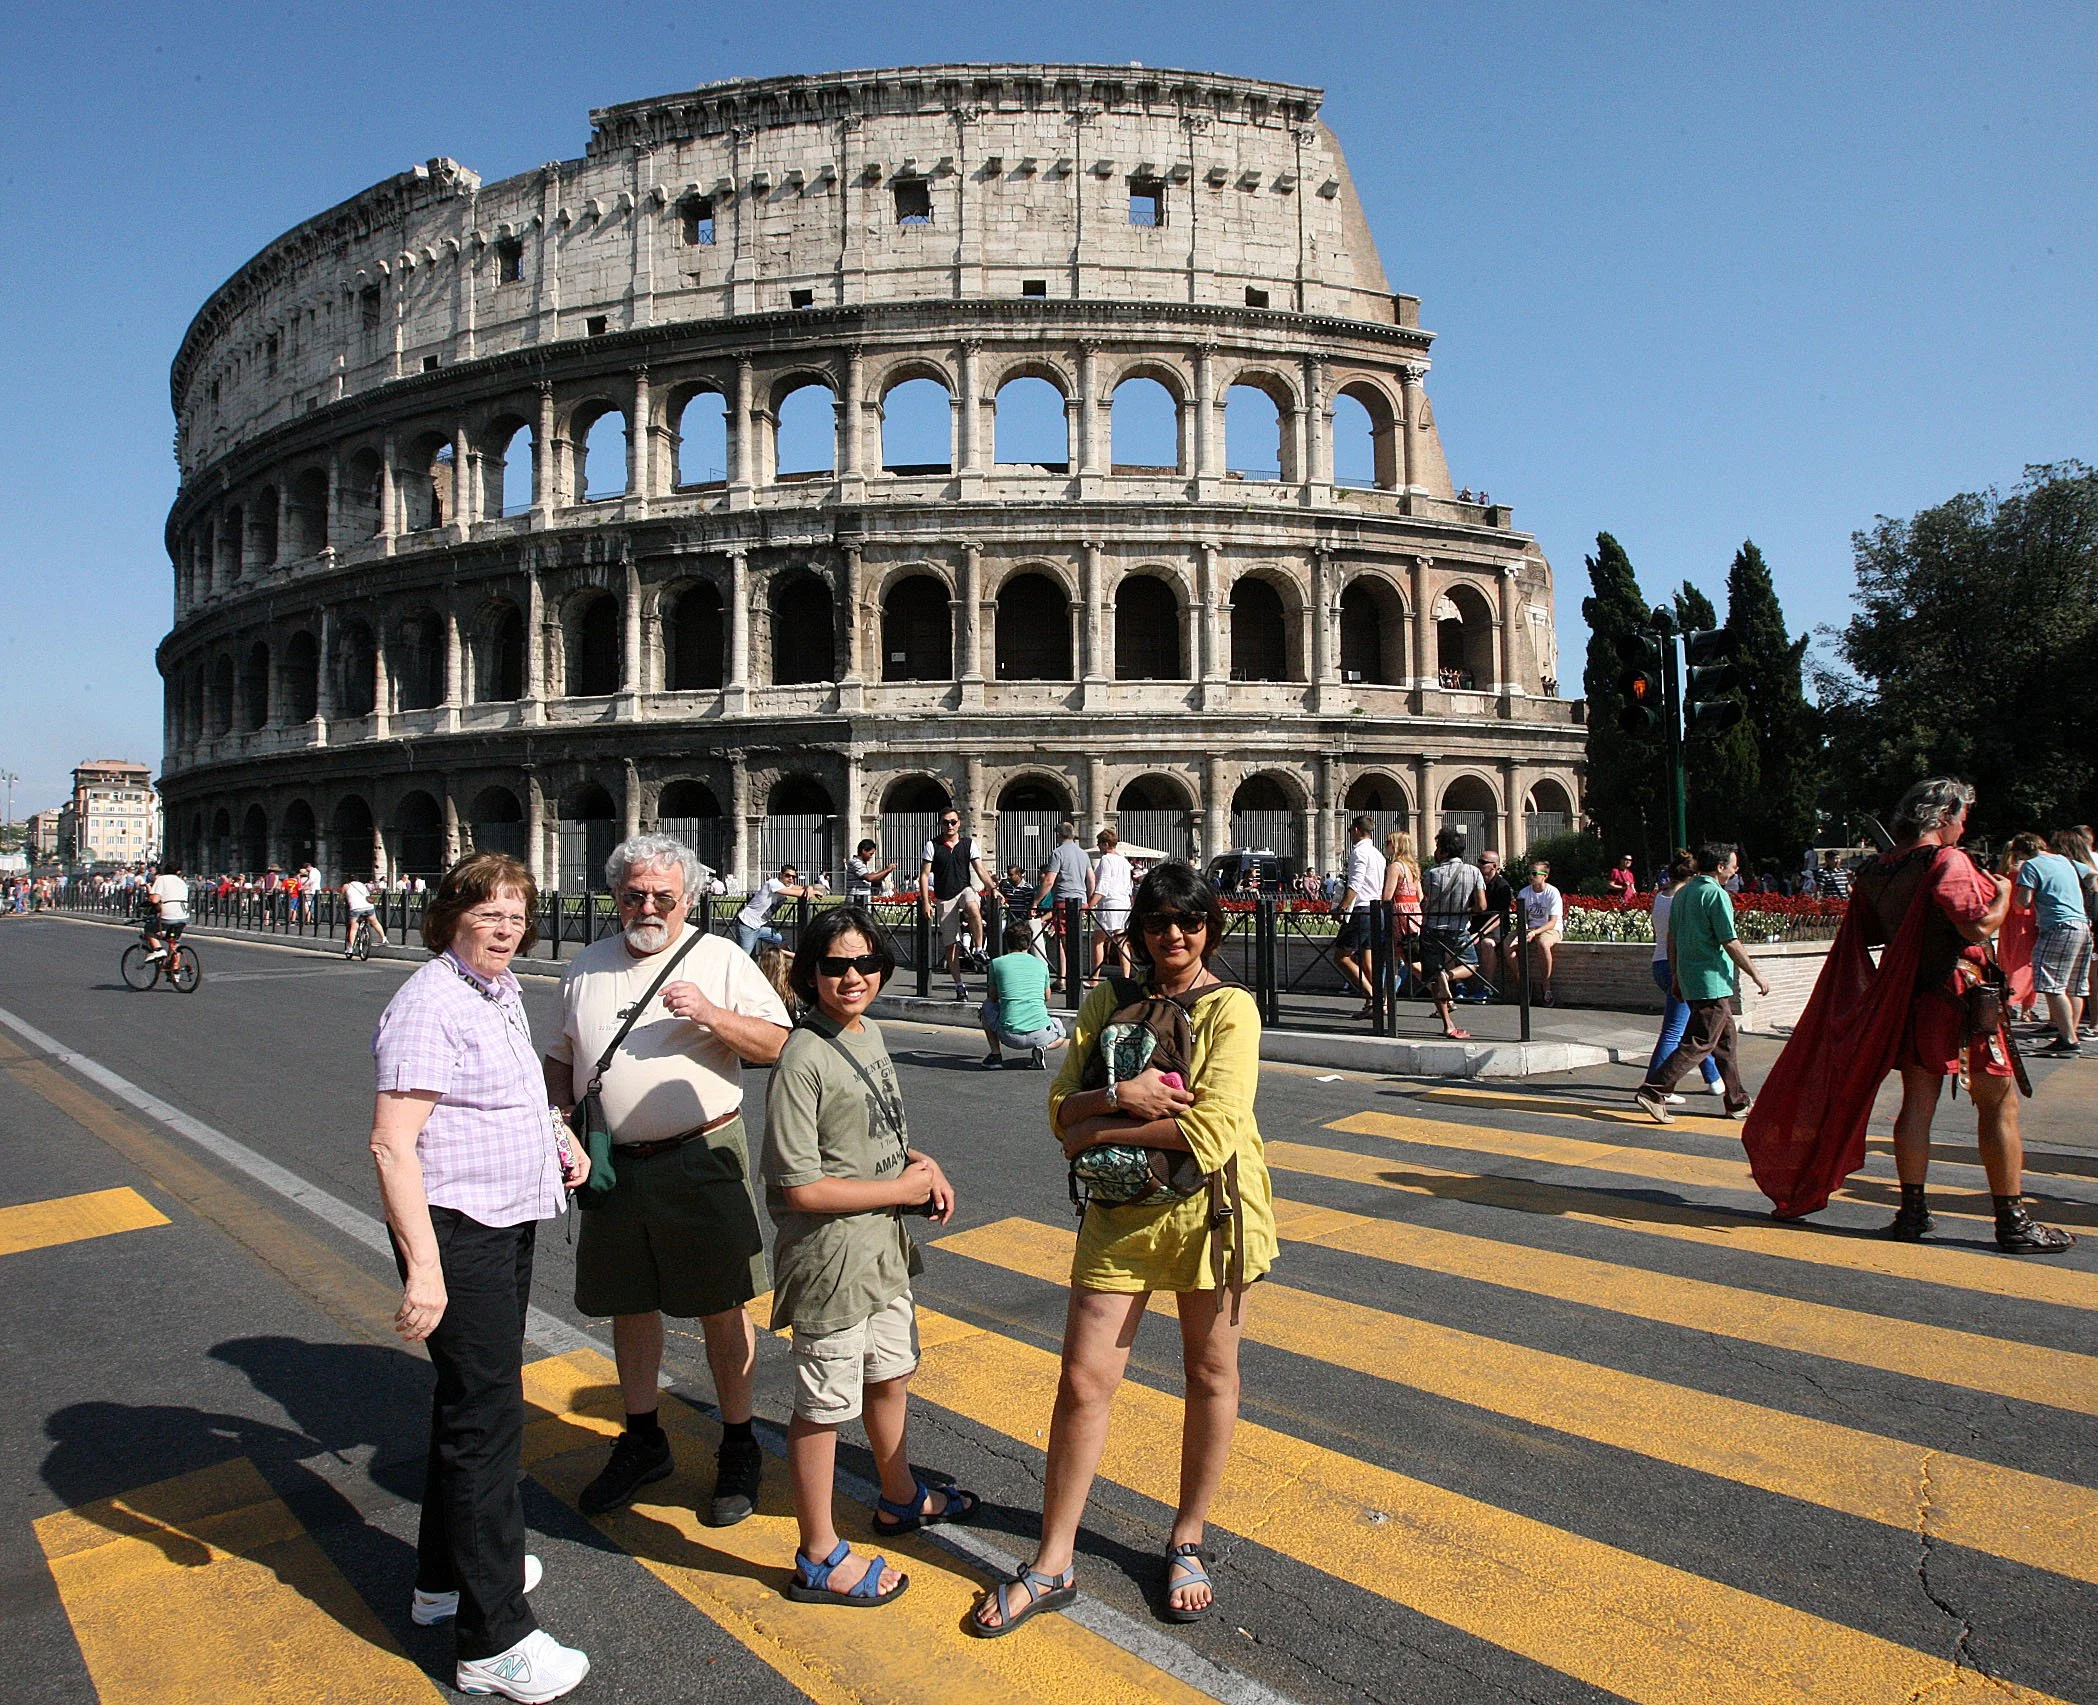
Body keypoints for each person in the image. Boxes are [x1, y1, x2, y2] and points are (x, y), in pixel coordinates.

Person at [972, 862, 1273, 1638]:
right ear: (1138, 927)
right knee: (1081, 1382)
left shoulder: (1231, 1009)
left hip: (1213, 1212)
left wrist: (1096, 1126)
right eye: (1158, 920)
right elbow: (1054, 1107)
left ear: (1211, 925)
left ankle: (1188, 1538)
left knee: (1210, 1374)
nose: (1174, 934)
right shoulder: (1108, 998)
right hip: (1118, 1215)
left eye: (1191, 920)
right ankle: (1053, 1558)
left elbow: (1211, 1131)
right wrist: (1116, 1095)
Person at [369, 853, 591, 1701]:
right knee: (487, 1424)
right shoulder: (429, 1003)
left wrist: (555, 1133)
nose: (505, 927)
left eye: (516, 913)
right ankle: (493, 1639)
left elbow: (507, 1095)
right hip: (459, 1234)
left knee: (466, 1406)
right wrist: (425, 1269)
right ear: (449, 917)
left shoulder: (492, 991)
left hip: (501, 1220)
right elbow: (393, 1144)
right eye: (488, 913)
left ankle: (441, 1584)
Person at [544, 836, 792, 1528]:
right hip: (614, 1161)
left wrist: (711, 1015)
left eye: (662, 896)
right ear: (615, 896)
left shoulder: (720, 958)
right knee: (629, 1302)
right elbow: (560, 1057)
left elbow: (779, 1043)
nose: (646, 907)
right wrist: (562, 1118)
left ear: (689, 898)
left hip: (700, 1153)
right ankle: (643, 1436)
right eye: (632, 895)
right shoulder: (587, 964)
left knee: (722, 1301)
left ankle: (739, 1442)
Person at [1742, 779, 2072, 1253]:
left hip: (1913, 998)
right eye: (1961, 818)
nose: (1963, 828)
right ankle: (2013, 1222)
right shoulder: (1948, 860)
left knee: (1918, 1104)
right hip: (1962, 998)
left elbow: (1877, 931)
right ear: (1942, 817)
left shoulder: (1879, 868)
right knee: (1999, 1105)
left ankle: (1912, 1213)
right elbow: (1974, 925)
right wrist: (2002, 896)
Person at [762, 905, 972, 1608]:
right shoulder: (802, 1057)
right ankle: (817, 1551)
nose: (852, 977)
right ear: (809, 972)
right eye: (834, 965)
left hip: (884, 1244)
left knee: (891, 1373)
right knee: (824, 1405)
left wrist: (923, 1165)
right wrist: (899, 1187)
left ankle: (899, 1495)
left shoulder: (868, 1030)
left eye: (865, 963)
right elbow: (798, 1188)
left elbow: (876, 1133)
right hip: (831, 1259)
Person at [1634, 843, 1767, 1123]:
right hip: (1712, 981)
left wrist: (1676, 975)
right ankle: (1654, 1091)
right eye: (1733, 865)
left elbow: (1671, 938)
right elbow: (1729, 940)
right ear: (1720, 867)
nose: (1735, 870)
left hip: (1692, 978)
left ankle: (1737, 1101)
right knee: (1700, 1041)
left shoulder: (1685, 893)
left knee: (1725, 1043)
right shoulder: (1716, 895)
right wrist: (1756, 974)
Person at [1646, 853, 1724, 1103]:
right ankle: (1655, 1084)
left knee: (1697, 1028)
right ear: (1691, 877)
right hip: (1677, 967)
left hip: (1659, 963)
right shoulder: (1683, 899)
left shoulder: (1661, 898)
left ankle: (1713, 1079)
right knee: (1675, 1031)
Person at [2015, 831, 2093, 1058]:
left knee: (2051, 984)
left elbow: (2024, 901)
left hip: (2057, 927)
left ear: (2021, 852)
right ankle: (2069, 1035)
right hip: (2082, 925)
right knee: (2075, 986)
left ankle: (2068, 1039)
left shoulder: (2031, 866)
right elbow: (2091, 873)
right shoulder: (2065, 861)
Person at [1418, 832, 1487, 1039]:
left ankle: (1448, 1024)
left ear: (1444, 850)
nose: (1435, 851)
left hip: (1432, 929)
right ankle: (1449, 976)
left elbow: (1424, 902)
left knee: (1433, 978)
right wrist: (1467, 909)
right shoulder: (1473, 872)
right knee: (1471, 965)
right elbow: (1482, 905)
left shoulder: (1431, 874)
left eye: (1438, 847)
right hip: (1458, 929)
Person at [922, 809, 995, 1001]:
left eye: (953, 822)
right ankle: (959, 984)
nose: (950, 826)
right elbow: (924, 874)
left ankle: (979, 949)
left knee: (973, 908)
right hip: (944, 896)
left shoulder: (968, 844)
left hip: (964, 888)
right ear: (940, 824)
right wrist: (925, 902)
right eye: (946, 822)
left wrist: (993, 888)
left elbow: (980, 869)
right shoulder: (932, 844)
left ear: (959, 823)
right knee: (951, 945)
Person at [981, 920, 1067, 1069]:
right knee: (1061, 1032)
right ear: (1029, 942)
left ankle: (995, 1055)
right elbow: (1047, 997)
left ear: (1007, 942)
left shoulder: (996, 963)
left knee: (986, 1006)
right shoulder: (1041, 965)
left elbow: (992, 997)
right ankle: (1042, 1048)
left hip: (1009, 1036)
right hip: (1040, 1034)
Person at [1330, 816, 1387, 1017]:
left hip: (1361, 909)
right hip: (1376, 908)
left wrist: (1342, 908)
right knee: (1367, 960)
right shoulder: (1378, 854)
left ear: (1355, 830)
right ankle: (1381, 1000)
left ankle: (1373, 996)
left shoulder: (1359, 852)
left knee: (1341, 956)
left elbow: (1355, 883)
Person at [1036, 820, 1095, 990]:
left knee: (1065, 942)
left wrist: (1035, 901)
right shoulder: (1083, 854)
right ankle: (1065, 977)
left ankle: (1069, 979)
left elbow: (1049, 880)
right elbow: (1091, 880)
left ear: (1058, 834)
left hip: (1064, 899)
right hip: (1081, 901)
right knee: (1072, 939)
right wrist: (1089, 902)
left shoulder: (1058, 852)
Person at [1998, 834, 2045, 1024]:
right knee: (2026, 964)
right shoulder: (2026, 871)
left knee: (2008, 960)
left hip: (2007, 920)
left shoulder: (2004, 872)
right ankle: (2022, 1006)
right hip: (2026, 919)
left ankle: (2010, 1001)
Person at [735, 863, 814, 957]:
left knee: (781, 942)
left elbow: (800, 888)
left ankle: (778, 963)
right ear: (781, 875)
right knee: (743, 958)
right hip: (747, 925)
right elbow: (795, 892)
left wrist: (810, 887)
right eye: (788, 875)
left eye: (793, 877)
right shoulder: (773, 883)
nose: (791, 879)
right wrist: (813, 892)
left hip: (758, 927)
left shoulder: (785, 885)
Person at [1380, 830, 1423, 998]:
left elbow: (1387, 896)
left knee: (1405, 958)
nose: (1386, 847)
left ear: (1395, 846)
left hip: (1400, 914)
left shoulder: (1395, 867)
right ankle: (1384, 999)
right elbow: (1420, 896)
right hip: (1414, 912)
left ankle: (1440, 989)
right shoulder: (1413, 867)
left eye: (1388, 843)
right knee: (1398, 958)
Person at [1090, 829, 1135, 979]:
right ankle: (1126, 976)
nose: (1098, 846)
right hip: (1123, 903)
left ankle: (1094, 978)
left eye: (1099, 843)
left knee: (1098, 941)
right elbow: (1129, 886)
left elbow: (1104, 884)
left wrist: (1091, 903)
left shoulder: (1106, 859)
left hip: (1109, 903)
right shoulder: (1124, 861)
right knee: (1121, 941)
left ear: (1105, 844)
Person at [1519, 861, 1565, 1005]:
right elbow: (1523, 917)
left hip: (1550, 929)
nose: (1530, 877)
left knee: (1543, 943)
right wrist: (1526, 929)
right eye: (1529, 873)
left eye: (1534, 874)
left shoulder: (1552, 893)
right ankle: (1524, 984)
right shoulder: (1524, 892)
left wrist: (1535, 932)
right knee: (1508, 944)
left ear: (1544, 876)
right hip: (1531, 928)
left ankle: (1546, 987)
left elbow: (1552, 922)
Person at [1475, 850, 1515, 998]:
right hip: (1477, 925)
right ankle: (1458, 985)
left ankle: (1488, 987)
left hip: (1496, 928)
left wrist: (1480, 933)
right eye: (1479, 861)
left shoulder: (1502, 886)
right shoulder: (1477, 883)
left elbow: (1499, 916)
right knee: (1454, 939)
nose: (1479, 864)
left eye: (1483, 862)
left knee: (1487, 944)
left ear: (1494, 866)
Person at [141, 862, 188, 960]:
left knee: (149, 930)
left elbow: (155, 900)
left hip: (169, 914)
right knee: (174, 942)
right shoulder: (182, 882)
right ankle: (175, 971)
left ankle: (158, 950)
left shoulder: (162, 879)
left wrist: (150, 890)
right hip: (184, 914)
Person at [846, 839, 896, 906]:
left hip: (862, 901)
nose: (871, 857)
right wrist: (887, 869)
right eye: (870, 854)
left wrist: (888, 871)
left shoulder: (863, 865)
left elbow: (876, 878)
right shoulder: (855, 862)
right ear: (863, 851)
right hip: (856, 902)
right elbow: (870, 878)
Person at [342, 871, 378, 956]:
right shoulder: (362, 885)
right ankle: (382, 937)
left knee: (353, 928)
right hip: (369, 907)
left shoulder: (347, 886)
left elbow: (341, 897)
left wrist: (340, 904)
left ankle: (350, 948)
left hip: (356, 908)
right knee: (373, 921)